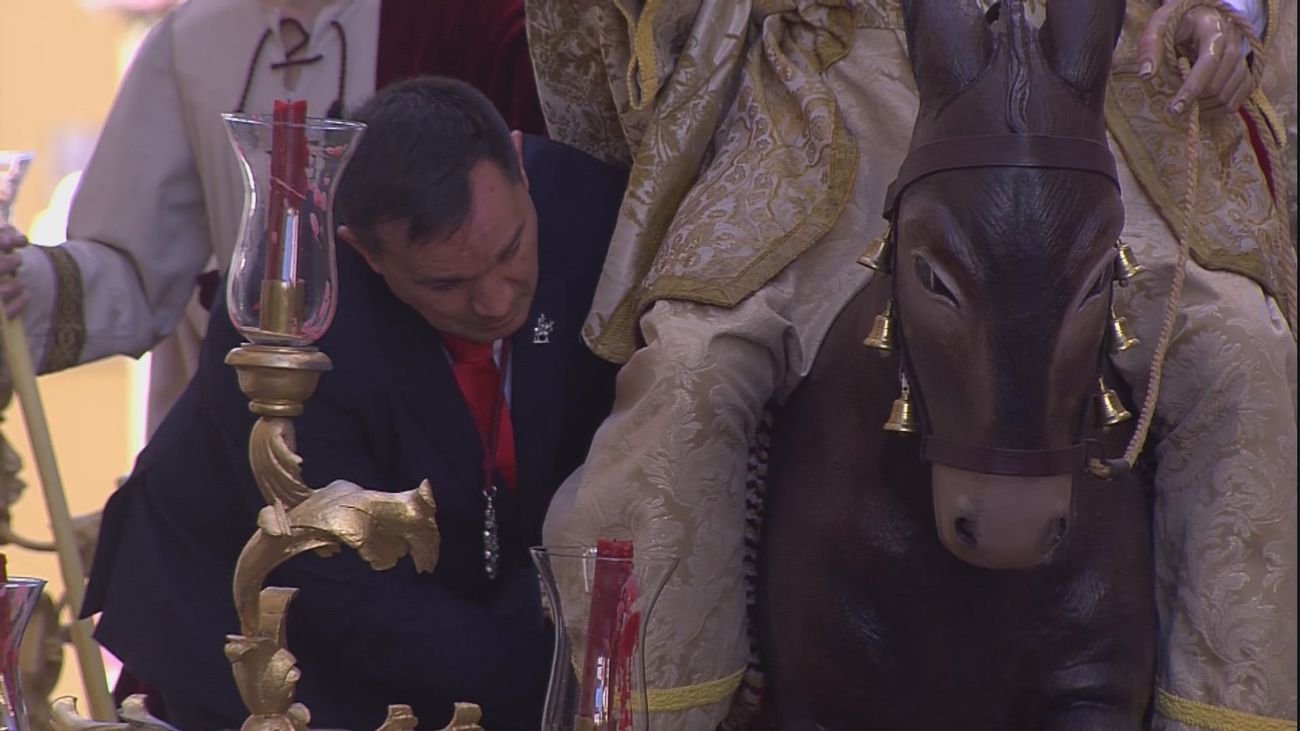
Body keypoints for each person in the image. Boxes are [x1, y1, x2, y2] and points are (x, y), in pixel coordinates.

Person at [528, 0, 1296, 728]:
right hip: (848, 75)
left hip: (1105, 78)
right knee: (694, 366)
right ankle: (655, 702)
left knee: (1241, 351)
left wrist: (1225, 13)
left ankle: (1229, 705)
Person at [81, 77, 625, 731]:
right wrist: (550, 673)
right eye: (445, 282)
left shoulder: (593, 212)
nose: (494, 301)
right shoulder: (295, 311)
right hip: (257, 627)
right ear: (366, 252)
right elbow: (351, 597)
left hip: (465, 607)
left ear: (520, 169)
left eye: (510, 252)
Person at [0, 0, 545, 435]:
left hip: (444, 420)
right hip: (251, 418)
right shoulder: (192, 38)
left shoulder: (474, 17)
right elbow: (135, 272)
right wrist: (23, 284)